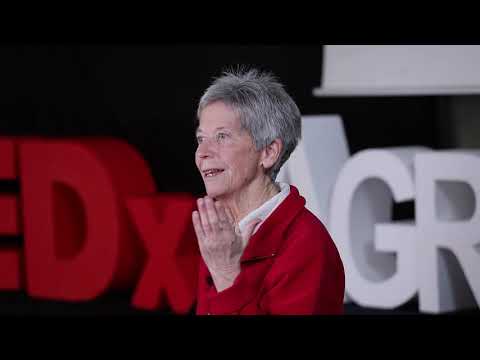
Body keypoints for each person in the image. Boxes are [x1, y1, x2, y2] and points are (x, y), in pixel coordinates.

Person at [192, 67, 344, 315]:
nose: (202, 152)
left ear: (269, 152)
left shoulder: (308, 245)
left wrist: (227, 275)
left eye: (222, 136)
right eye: (201, 138)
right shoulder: (219, 234)